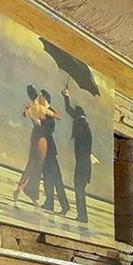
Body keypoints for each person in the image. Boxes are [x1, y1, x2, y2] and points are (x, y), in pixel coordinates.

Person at [61, 87, 94, 224]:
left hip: (83, 164)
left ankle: (82, 216)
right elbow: (70, 111)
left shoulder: (81, 124)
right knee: (79, 188)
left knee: (79, 187)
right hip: (83, 163)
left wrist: (66, 96)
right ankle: (82, 215)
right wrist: (66, 96)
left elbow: (70, 111)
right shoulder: (83, 124)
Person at [12, 84, 49, 206]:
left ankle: (24, 189)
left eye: (42, 96)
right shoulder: (41, 108)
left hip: (36, 136)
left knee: (33, 164)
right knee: (36, 165)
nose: (40, 97)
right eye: (40, 96)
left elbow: (25, 114)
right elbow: (44, 120)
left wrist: (29, 112)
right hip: (40, 138)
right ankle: (26, 190)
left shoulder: (34, 106)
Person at [36, 88, 69, 215]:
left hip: (49, 150)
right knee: (47, 177)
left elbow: (49, 130)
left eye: (40, 96)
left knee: (56, 178)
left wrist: (39, 123)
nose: (39, 98)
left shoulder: (50, 112)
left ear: (45, 97)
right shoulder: (42, 111)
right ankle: (49, 203)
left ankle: (64, 206)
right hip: (44, 149)